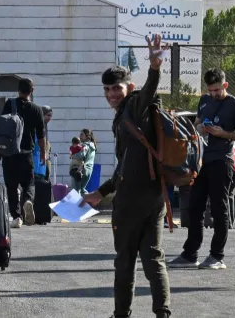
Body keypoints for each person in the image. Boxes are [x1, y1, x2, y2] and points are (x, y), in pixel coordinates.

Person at [81, 34, 171, 318]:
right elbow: (124, 164)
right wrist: (102, 191)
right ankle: (163, 312)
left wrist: (155, 67)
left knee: (126, 262)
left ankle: (122, 314)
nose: (111, 94)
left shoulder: (133, 105)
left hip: (133, 201)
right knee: (153, 259)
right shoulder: (125, 115)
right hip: (154, 195)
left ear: (128, 87)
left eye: (116, 88)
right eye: (107, 89)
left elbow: (148, 91)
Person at [170, 68, 235, 271]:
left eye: (217, 90)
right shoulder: (205, 101)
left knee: (219, 209)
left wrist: (223, 133)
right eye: (210, 90)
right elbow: (196, 124)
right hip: (201, 162)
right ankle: (190, 254)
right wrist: (200, 129)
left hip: (222, 162)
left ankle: (217, 256)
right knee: (194, 207)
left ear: (225, 85)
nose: (214, 94)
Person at [1, 78, 47, 228]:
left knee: (11, 186)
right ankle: (28, 200)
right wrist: (43, 154)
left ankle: (17, 217)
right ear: (31, 91)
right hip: (27, 153)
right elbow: (41, 135)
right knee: (29, 183)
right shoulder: (36, 109)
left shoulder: (9, 104)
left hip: (10, 154)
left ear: (18, 90)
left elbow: (1, 127)